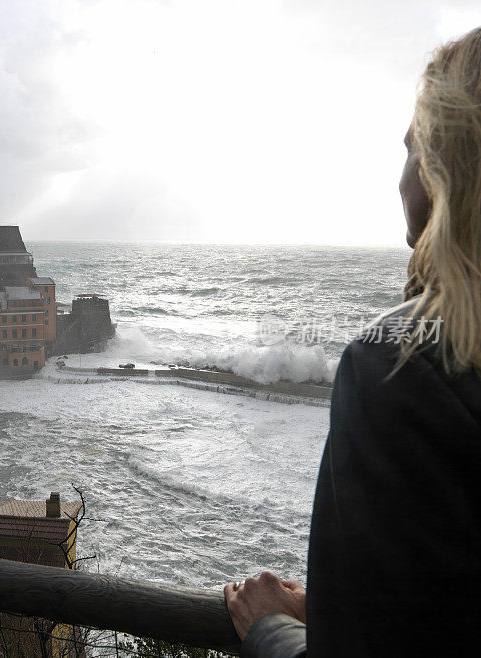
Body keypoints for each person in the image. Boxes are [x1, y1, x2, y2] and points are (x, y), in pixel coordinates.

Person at [224, 27, 481, 658]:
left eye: (412, 148)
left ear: (447, 170)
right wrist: (354, 600)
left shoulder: (401, 366)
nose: (401, 180)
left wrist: (270, 628)